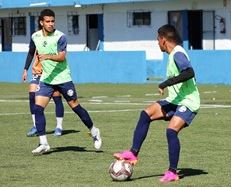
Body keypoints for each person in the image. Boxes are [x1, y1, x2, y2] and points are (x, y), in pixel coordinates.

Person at [113, 24, 200, 183]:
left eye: (157, 40)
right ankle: (133, 153)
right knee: (146, 114)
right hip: (174, 100)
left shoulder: (178, 53)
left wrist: (165, 83)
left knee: (171, 131)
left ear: (163, 39)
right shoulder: (174, 53)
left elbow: (189, 72)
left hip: (188, 102)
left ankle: (173, 172)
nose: (157, 43)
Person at [31, 9, 101, 155]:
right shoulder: (35, 36)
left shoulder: (60, 37)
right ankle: (43, 143)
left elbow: (62, 57)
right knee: (38, 108)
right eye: (48, 21)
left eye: (52, 21)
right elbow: (35, 52)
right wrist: (33, 66)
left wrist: (47, 56)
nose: (50, 24)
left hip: (63, 78)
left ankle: (94, 131)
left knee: (75, 106)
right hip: (47, 79)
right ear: (41, 22)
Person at [22, 31, 64, 137]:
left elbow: (61, 55)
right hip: (38, 71)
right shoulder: (35, 37)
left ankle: (59, 126)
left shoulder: (56, 38)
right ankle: (36, 125)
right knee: (32, 95)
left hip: (52, 72)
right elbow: (31, 52)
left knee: (56, 97)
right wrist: (25, 69)